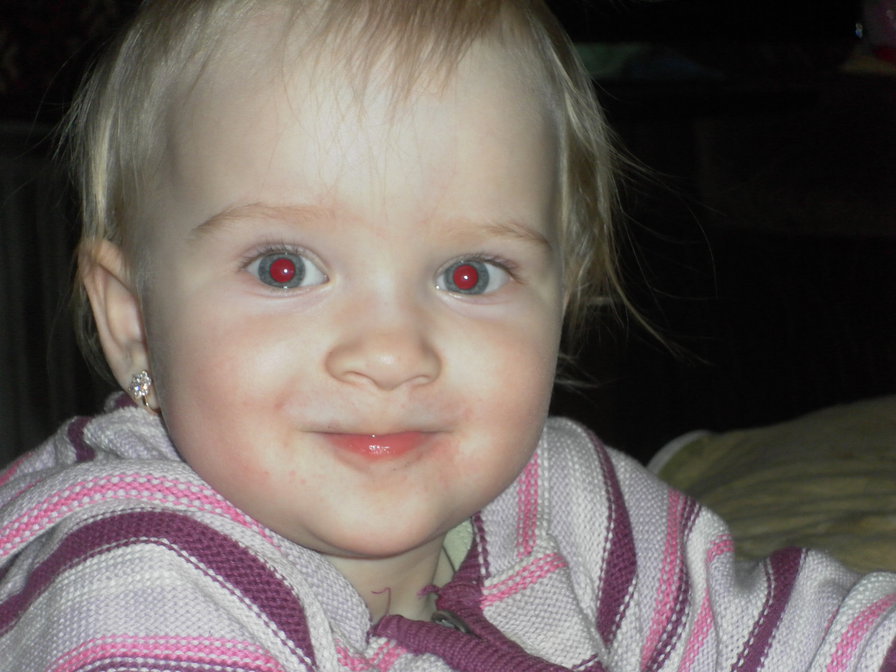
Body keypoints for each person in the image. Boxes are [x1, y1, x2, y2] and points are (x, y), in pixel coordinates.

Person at [1, 1, 894, 670]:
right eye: (284, 268)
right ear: (133, 321)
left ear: (564, 298)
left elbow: (786, 635)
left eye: (469, 275)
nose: (392, 354)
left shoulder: (561, 502)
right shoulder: (132, 586)